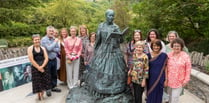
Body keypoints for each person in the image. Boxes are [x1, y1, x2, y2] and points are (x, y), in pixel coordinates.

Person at [85, 9, 127, 95]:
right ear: (106, 16)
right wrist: (96, 51)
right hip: (103, 50)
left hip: (114, 50)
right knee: (101, 68)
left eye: (112, 16)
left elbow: (121, 40)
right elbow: (98, 40)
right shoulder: (101, 26)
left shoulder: (116, 27)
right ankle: (100, 87)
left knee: (114, 69)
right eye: (109, 15)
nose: (111, 17)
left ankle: (114, 87)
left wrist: (120, 36)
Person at [165, 38, 191, 103]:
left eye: (178, 46)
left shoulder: (185, 56)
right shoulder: (168, 55)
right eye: (174, 46)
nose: (176, 47)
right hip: (169, 80)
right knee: (169, 97)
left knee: (175, 98)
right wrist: (165, 79)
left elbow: (188, 68)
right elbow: (165, 68)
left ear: (181, 47)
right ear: (172, 46)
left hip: (179, 81)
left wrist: (186, 79)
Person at [27, 34, 51, 100]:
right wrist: (39, 68)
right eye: (35, 40)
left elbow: (46, 58)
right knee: (38, 82)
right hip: (35, 67)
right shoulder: (30, 48)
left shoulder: (43, 48)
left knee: (43, 81)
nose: (37, 41)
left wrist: (42, 66)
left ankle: (42, 94)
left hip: (44, 66)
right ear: (33, 40)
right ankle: (39, 95)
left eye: (38, 39)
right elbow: (31, 59)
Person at [41, 26, 61, 97]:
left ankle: (54, 86)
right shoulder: (44, 39)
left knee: (54, 74)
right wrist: (54, 43)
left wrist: (52, 48)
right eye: (50, 31)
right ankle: (48, 88)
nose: (51, 32)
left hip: (54, 59)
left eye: (52, 31)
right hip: (47, 60)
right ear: (47, 31)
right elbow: (48, 49)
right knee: (47, 75)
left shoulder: (53, 39)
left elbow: (58, 49)